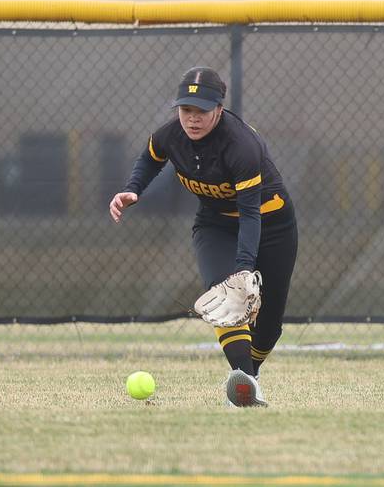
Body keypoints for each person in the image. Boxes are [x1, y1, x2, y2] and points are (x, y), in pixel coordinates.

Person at [109, 66, 298, 407]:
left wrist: (244, 268)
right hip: (215, 225)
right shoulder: (171, 135)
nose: (192, 118)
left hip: (272, 225)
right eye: (186, 109)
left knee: (269, 327)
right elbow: (151, 158)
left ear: (219, 110)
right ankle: (244, 387)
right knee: (224, 298)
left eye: (202, 110)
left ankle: (249, 377)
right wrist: (133, 189)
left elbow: (250, 213)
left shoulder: (241, 145)